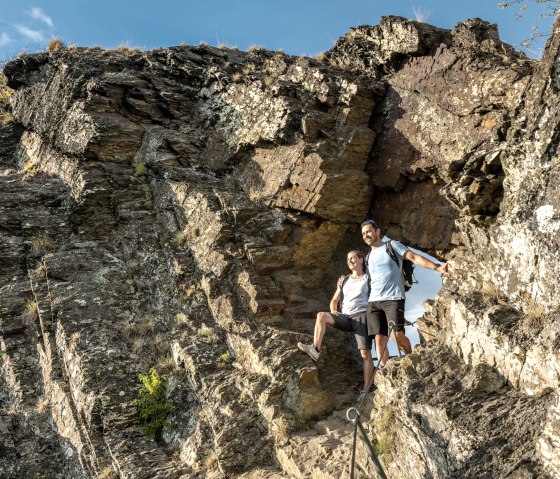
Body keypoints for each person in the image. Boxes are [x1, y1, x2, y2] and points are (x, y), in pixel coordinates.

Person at [361, 219, 449, 366]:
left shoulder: (391, 245)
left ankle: (413, 358)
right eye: (363, 233)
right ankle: (385, 370)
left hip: (393, 298)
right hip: (374, 302)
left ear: (377, 231)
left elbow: (414, 257)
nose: (366, 235)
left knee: (397, 335)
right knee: (379, 339)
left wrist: (437, 267)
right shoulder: (368, 257)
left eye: (369, 231)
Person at [297, 250, 373, 398]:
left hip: (361, 316)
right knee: (321, 316)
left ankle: (366, 389)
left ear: (361, 260)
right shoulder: (344, 280)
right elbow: (334, 300)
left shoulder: (369, 278)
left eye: (352, 258)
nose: (349, 261)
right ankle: (315, 349)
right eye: (347, 259)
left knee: (365, 353)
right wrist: (334, 310)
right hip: (345, 316)